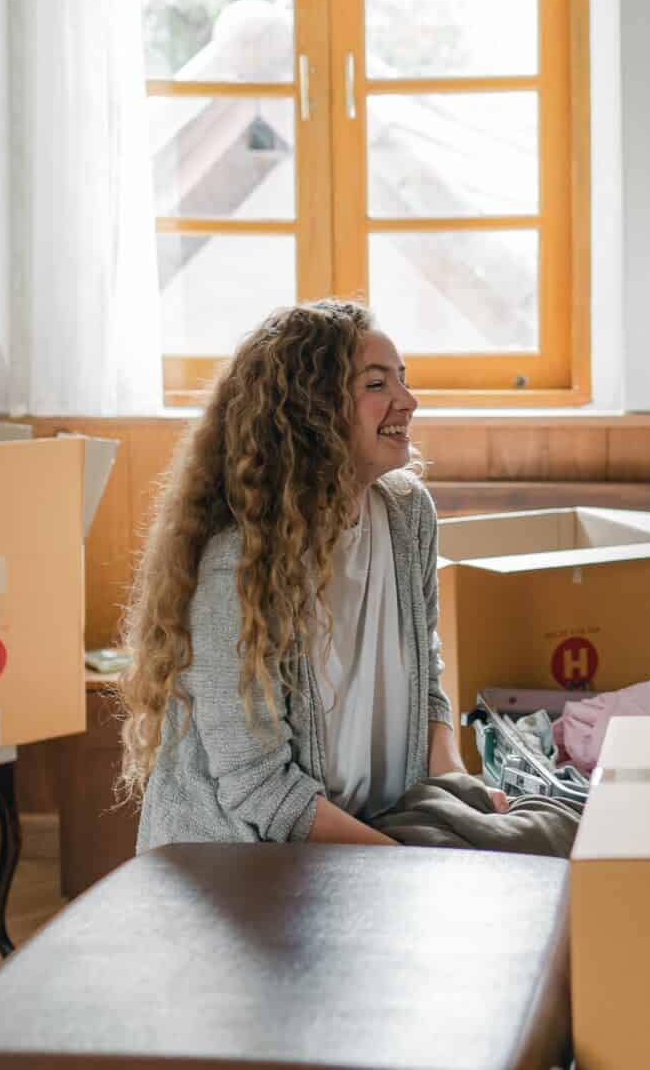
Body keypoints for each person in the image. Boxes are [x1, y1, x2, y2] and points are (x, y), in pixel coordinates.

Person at [118, 299, 499, 848]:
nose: (408, 402)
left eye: (403, 380)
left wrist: (455, 788)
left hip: (369, 838)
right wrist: (410, 865)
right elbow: (263, 792)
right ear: (310, 411)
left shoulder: (407, 512)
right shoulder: (238, 560)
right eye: (376, 385)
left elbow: (425, 678)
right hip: (237, 867)